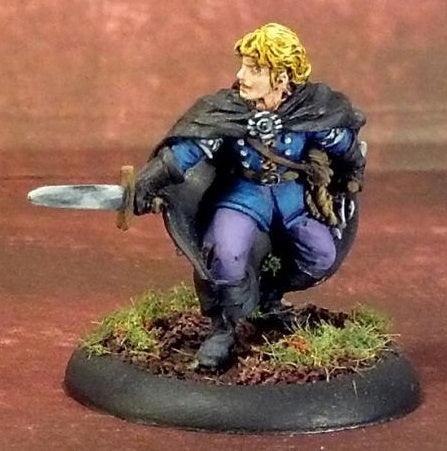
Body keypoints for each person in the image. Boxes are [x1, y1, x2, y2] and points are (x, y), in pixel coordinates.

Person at [134, 23, 366, 369]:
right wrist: (150, 180)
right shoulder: (228, 111)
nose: (241, 75)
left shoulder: (311, 111)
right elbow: (190, 149)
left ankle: (267, 295)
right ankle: (223, 329)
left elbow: (343, 145)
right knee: (225, 255)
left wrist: (352, 171)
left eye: (254, 69)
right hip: (243, 198)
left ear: (281, 77)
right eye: (243, 66)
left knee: (320, 256)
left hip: (292, 200)